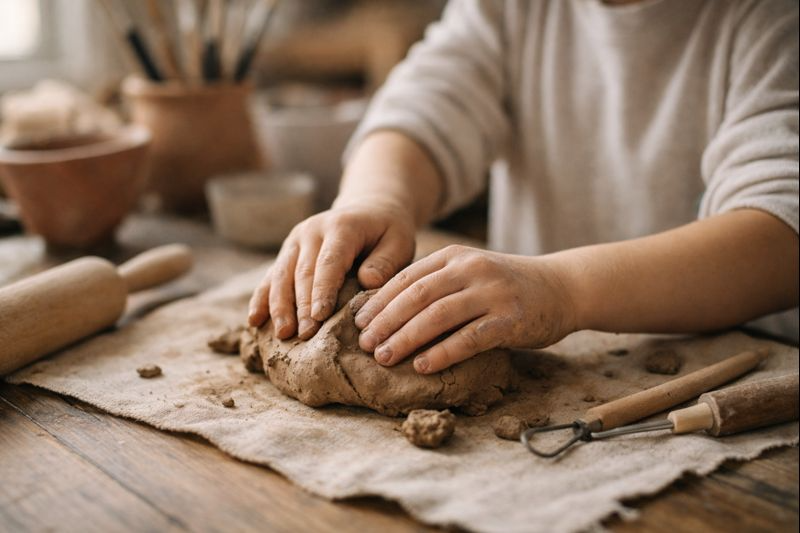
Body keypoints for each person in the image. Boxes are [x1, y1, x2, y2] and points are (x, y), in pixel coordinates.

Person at [249, 0, 799, 376]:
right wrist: (376, 198)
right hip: (540, 356)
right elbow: (426, 105)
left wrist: (565, 290)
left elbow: (781, 236)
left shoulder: (774, 19)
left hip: (735, 381)